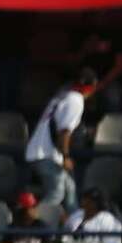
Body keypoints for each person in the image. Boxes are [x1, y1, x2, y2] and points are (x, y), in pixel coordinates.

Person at [25, 69, 97, 211]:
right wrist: (66, 157)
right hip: (45, 154)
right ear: (90, 87)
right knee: (56, 194)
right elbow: (64, 132)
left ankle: (75, 228)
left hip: (44, 152)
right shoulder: (75, 100)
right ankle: (34, 225)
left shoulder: (63, 95)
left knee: (70, 191)